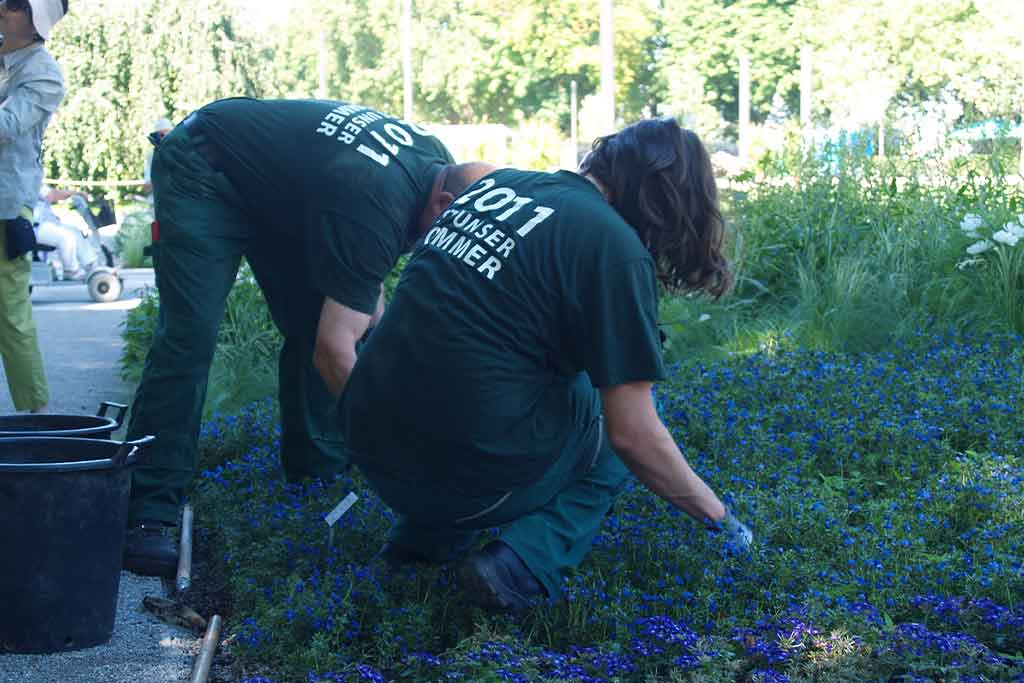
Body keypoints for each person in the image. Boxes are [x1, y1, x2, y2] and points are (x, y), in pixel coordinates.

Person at [339, 118, 754, 612]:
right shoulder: (611, 246)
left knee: (481, 373)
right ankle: (522, 565)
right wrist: (722, 520)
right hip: (456, 474)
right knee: (607, 426)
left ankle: (417, 548)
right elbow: (635, 436)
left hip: (368, 443)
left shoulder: (496, 184)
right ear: (667, 199)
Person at [123, 96, 485, 577]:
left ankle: (316, 478)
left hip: (276, 194)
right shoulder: (379, 196)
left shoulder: (431, 164)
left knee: (317, 321)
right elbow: (336, 352)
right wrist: (388, 445)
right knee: (189, 338)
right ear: (441, 202)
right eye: (451, 228)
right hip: (203, 168)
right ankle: (149, 509)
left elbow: (361, 291)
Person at [0, 0, 67, 414]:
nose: (3, 9)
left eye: (14, 5)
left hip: (5, 207)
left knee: (11, 315)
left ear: (35, 20)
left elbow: (5, 126)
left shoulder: (43, 72)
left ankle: (36, 416)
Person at [33, 186, 96, 279]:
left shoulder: (32, 179)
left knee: (74, 231)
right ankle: (71, 271)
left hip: (44, 223)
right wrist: (76, 193)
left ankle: (91, 265)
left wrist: (75, 194)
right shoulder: (27, 181)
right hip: (34, 227)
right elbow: (52, 194)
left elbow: (51, 193)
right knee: (66, 237)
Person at [141, 116, 171, 196]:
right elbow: (148, 187)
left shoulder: (182, 151)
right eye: (161, 134)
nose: (164, 136)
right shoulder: (151, 156)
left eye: (166, 133)